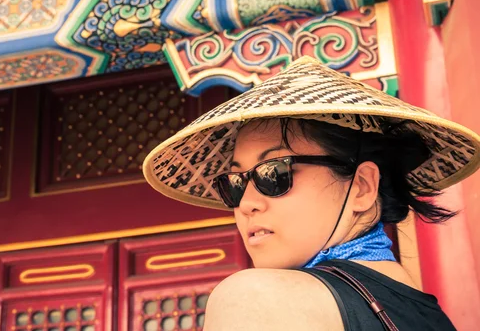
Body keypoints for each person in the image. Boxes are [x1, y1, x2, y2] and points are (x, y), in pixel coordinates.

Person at [142, 56, 480, 330]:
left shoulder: (256, 299)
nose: (246, 204)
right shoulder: (436, 319)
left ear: (361, 188)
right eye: (235, 183)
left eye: (274, 173)